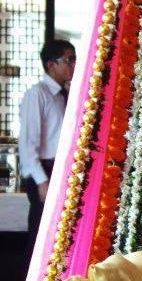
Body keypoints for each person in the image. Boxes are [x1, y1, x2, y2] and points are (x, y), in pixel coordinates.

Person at [19, 39, 76, 267]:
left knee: (60, 235)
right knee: (40, 236)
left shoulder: (65, 95)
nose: (73, 65)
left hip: (61, 169)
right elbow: (27, 145)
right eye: (68, 60)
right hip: (44, 171)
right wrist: (42, 182)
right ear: (51, 64)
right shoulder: (38, 94)